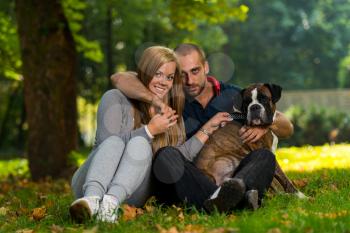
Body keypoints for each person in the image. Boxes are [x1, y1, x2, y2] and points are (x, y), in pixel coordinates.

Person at [110, 43, 294, 212]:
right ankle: (230, 200)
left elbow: (287, 128)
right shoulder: (171, 97)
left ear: (206, 67)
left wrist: (265, 124)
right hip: (187, 179)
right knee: (166, 155)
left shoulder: (235, 95)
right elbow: (119, 78)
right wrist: (155, 101)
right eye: (182, 74)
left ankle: (227, 198)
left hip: (233, 174)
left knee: (265, 156)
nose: (189, 80)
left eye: (195, 71)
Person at [69, 45, 239, 223]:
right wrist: (149, 131)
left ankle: (109, 205)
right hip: (91, 181)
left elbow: (178, 157)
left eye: (170, 77)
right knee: (119, 142)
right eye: (157, 74)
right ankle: (92, 200)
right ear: (144, 72)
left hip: (128, 192)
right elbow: (106, 148)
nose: (163, 82)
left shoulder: (172, 115)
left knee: (141, 145)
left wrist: (208, 128)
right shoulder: (115, 99)